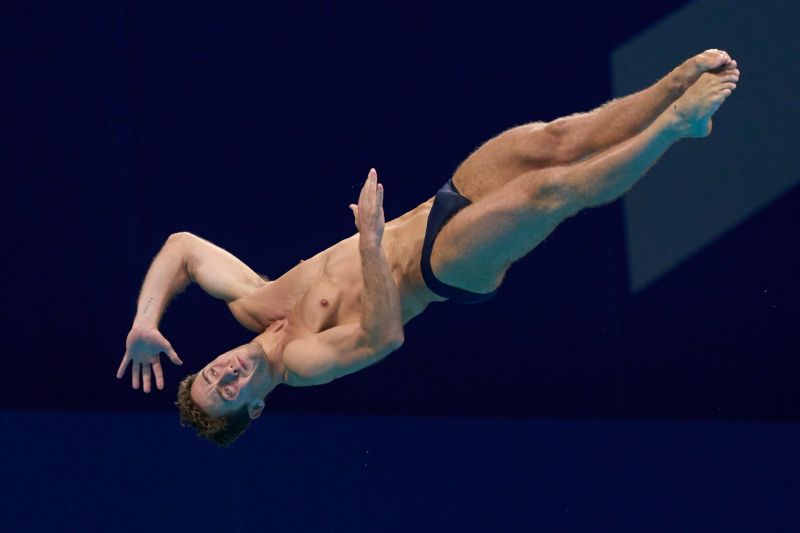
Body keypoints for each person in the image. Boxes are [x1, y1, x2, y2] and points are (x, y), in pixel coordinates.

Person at [117, 50, 740, 446]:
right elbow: (384, 336)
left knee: (555, 139)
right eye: (226, 392)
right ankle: (676, 127)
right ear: (252, 408)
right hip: (441, 268)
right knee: (551, 191)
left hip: (434, 206)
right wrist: (368, 241)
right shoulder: (302, 363)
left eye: (209, 374)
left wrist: (146, 321)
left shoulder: (253, 304)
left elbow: (183, 248)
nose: (225, 374)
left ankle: (667, 89)